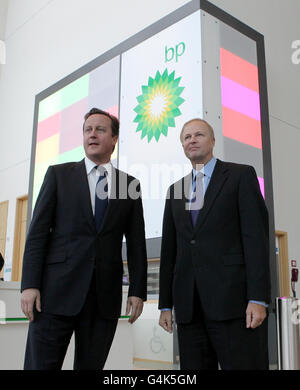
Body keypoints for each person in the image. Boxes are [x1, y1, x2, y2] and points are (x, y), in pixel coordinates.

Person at [21, 108, 147, 370]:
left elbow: (136, 243)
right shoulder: (58, 175)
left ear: (114, 139)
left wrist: (137, 291)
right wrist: (29, 284)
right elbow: (37, 235)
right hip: (54, 296)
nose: (92, 134)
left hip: (103, 299)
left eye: (100, 129)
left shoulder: (129, 185)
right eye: (87, 129)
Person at [158, 118, 270, 370]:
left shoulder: (240, 175)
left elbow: (255, 240)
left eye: (199, 134)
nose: (192, 140)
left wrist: (258, 298)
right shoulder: (175, 191)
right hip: (189, 309)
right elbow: (169, 253)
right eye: (186, 137)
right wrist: (165, 304)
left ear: (212, 141)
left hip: (234, 305)